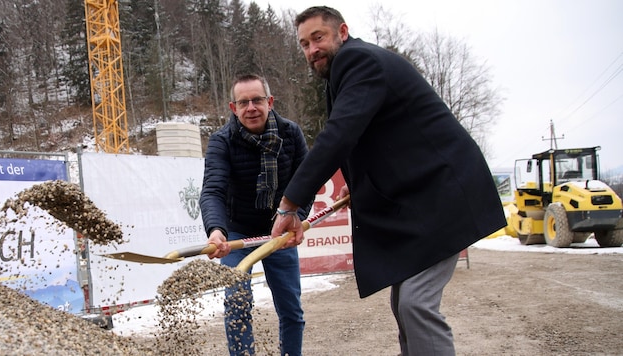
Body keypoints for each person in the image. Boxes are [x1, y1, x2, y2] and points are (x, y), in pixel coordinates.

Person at [271, 6, 506, 356]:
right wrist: (357, 182)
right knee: (405, 303)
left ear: (343, 32)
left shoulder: (359, 61)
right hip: (425, 198)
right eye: (304, 44)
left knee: (416, 304)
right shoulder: (347, 71)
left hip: (442, 195)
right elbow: (374, 136)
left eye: (318, 38)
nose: (311, 50)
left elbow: (339, 136)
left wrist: (290, 204)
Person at [200, 74, 311, 356]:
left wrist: (297, 216)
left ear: (270, 102)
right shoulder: (221, 141)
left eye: (257, 100)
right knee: (237, 305)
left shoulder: (291, 133)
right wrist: (217, 230)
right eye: (243, 102)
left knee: (291, 309)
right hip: (237, 231)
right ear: (233, 108)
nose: (251, 107)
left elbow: (307, 182)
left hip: (280, 230)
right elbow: (213, 190)